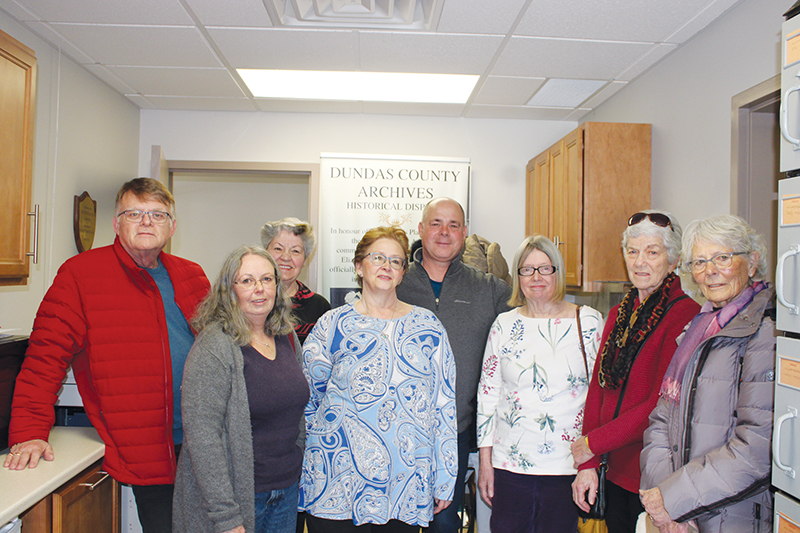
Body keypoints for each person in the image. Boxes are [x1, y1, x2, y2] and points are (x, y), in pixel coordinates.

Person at [4, 178, 210, 533]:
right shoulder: (81, 274)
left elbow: (221, 350)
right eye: (135, 213)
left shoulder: (191, 275)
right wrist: (29, 431)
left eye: (158, 215)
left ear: (172, 227)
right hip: (145, 446)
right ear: (117, 223)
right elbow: (44, 360)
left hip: (201, 440)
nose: (147, 222)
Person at [299, 226, 457, 532]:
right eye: (377, 257)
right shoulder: (332, 325)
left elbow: (444, 405)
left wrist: (446, 476)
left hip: (405, 482)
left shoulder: (428, 327)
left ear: (402, 273)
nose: (386, 266)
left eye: (396, 261)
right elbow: (309, 400)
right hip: (337, 479)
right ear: (359, 266)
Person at [639, 214, 775, 533]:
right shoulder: (697, 329)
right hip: (681, 517)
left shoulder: (768, 333)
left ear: (752, 262)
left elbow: (756, 447)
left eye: (722, 258)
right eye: (699, 262)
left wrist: (673, 500)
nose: (710, 271)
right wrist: (667, 509)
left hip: (733, 517)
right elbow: (661, 420)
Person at [571, 210, 700, 533]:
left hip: (653, 476)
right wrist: (588, 462)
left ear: (673, 260)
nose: (640, 261)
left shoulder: (686, 315)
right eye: (633, 251)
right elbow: (598, 390)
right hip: (611, 469)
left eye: (652, 252)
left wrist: (593, 443)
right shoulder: (619, 313)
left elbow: (661, 403)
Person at [396, 198, 512, 533]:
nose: (444, 233)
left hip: (456, 432)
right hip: (398, 431)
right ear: (420, 229)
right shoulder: (395, 283)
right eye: (436, 223)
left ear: (464, 232)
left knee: (444, 523)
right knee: (396, 521)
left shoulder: (490, 290)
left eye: (453, 225)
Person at [173, 246, 307, 533]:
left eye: (267, 279)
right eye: (247, 281)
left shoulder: (286, 337)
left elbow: (297, 412)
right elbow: (203, 438)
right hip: (238, 499)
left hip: (285, 491)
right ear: (229, 290)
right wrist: (226, 517)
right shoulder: (215, 345)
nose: (259, 289)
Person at [477, 235, 604, 532]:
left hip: (568, 466)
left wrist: (592, 464)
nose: (536, 277)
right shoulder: (504, 325)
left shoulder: (587, 321)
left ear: (557, 273)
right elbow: (488, 395)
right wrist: (486, 462)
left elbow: (602, 397)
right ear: (517, 276)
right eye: (527, 269)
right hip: (510, 466)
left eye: (545, 268)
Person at [262, 217, 331, 344]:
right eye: (278, 248)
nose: (286, 257)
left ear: (305, 260)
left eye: (295, 251)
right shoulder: (251, 299)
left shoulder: (319, 307)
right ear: (265, 253)